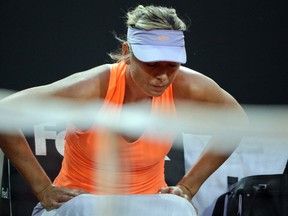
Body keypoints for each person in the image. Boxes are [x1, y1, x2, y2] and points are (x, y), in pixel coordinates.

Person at [0, 4, 247, 216]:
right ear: (127, 53)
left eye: (171, 65)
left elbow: (236, 122)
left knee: (180, 209)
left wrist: (189, 187)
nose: (162, 76)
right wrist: (43, 188)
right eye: (151, 63)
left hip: (145, 207)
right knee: (88, 208)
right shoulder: (93, 86)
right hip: (82, 205)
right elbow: (4, 113)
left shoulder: (186, 85)